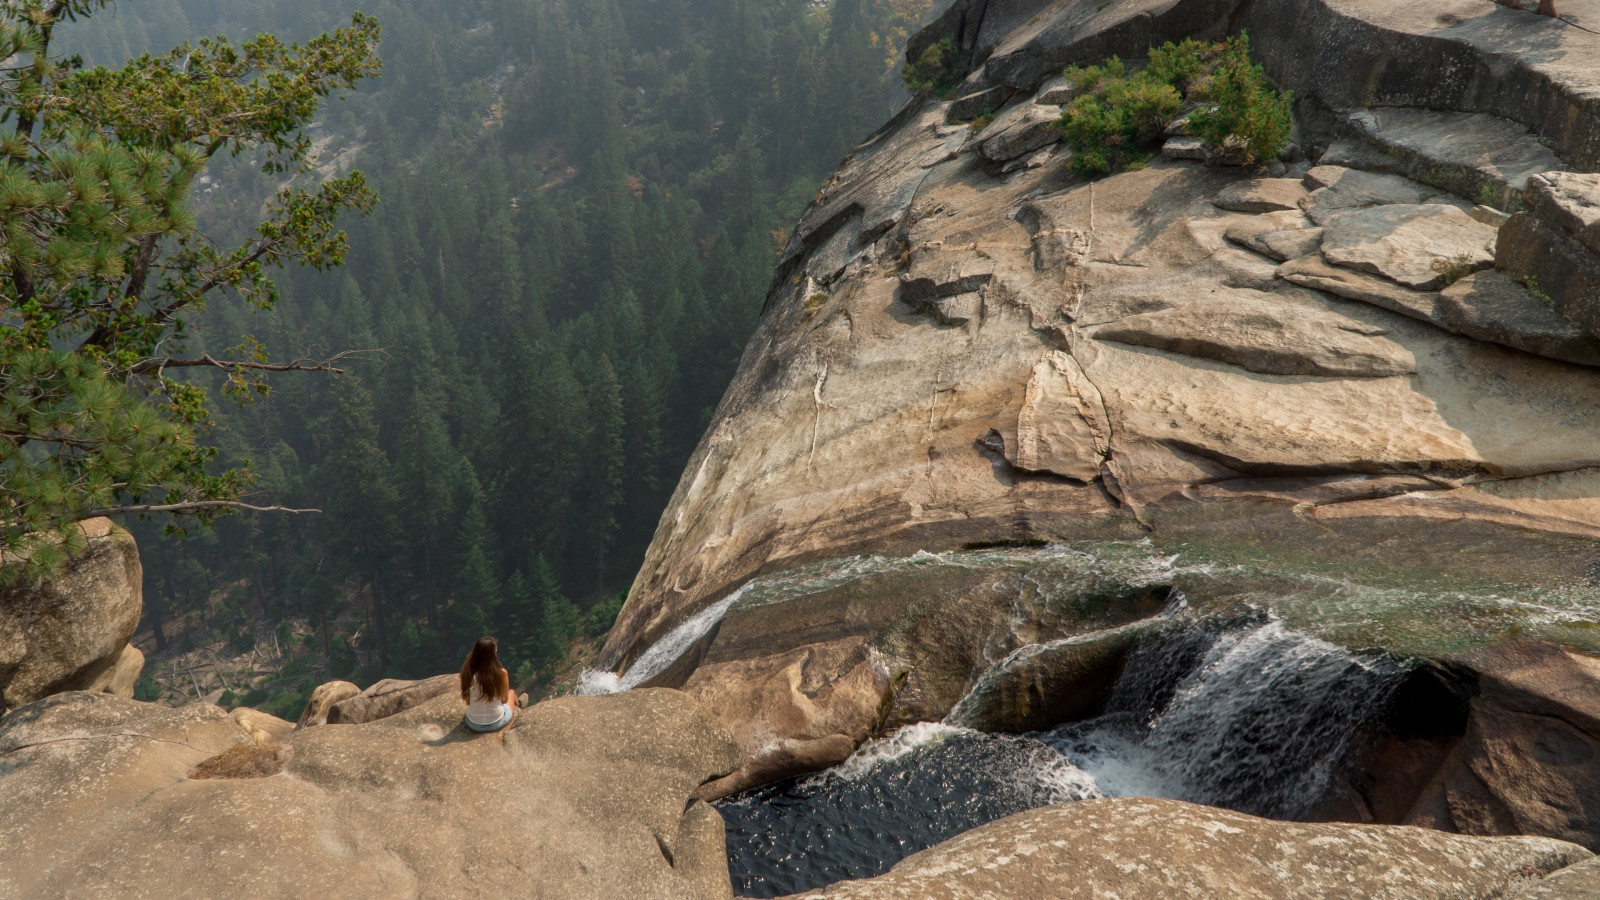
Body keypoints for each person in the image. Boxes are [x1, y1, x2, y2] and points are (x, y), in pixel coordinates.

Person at [460, 636, 521, 733]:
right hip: (497, 722)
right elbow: (504, 700)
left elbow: (468, 702)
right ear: (492, 654)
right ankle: (520, 706)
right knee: (512, 693)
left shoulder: (469, 674)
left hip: (474, 724)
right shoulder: (501, 673)